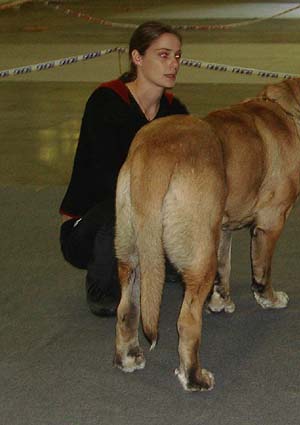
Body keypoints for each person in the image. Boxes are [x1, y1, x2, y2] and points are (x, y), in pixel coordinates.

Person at [59, 21, 189, 317]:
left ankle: (164, 261)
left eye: (178, 56)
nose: (173, 65)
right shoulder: (106, 102)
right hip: (90, 227)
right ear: (137, 58)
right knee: (123, 206)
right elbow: (107, 178)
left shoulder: (174, 110)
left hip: (147, 212)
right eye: (163, 55)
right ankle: (101, 289)